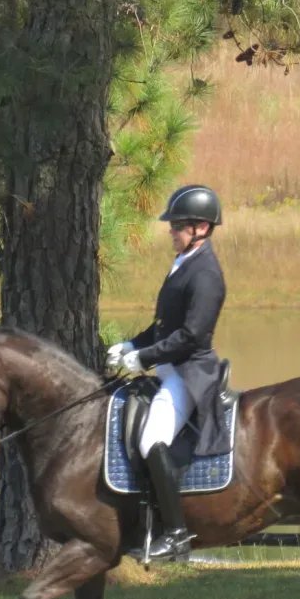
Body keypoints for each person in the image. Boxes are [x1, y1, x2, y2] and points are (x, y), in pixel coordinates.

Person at [106, 184, 229, 561]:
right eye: (172, 225)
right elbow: (165, 326)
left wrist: (143, 359)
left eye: (177, 226)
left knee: (150, 440)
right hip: (171, 367)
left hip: (190, 373)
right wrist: (131, 344)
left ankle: (176, 535)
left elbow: (191, 336)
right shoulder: (184, 264)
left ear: (201, 228)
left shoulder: (206, 274)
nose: (170, 231)